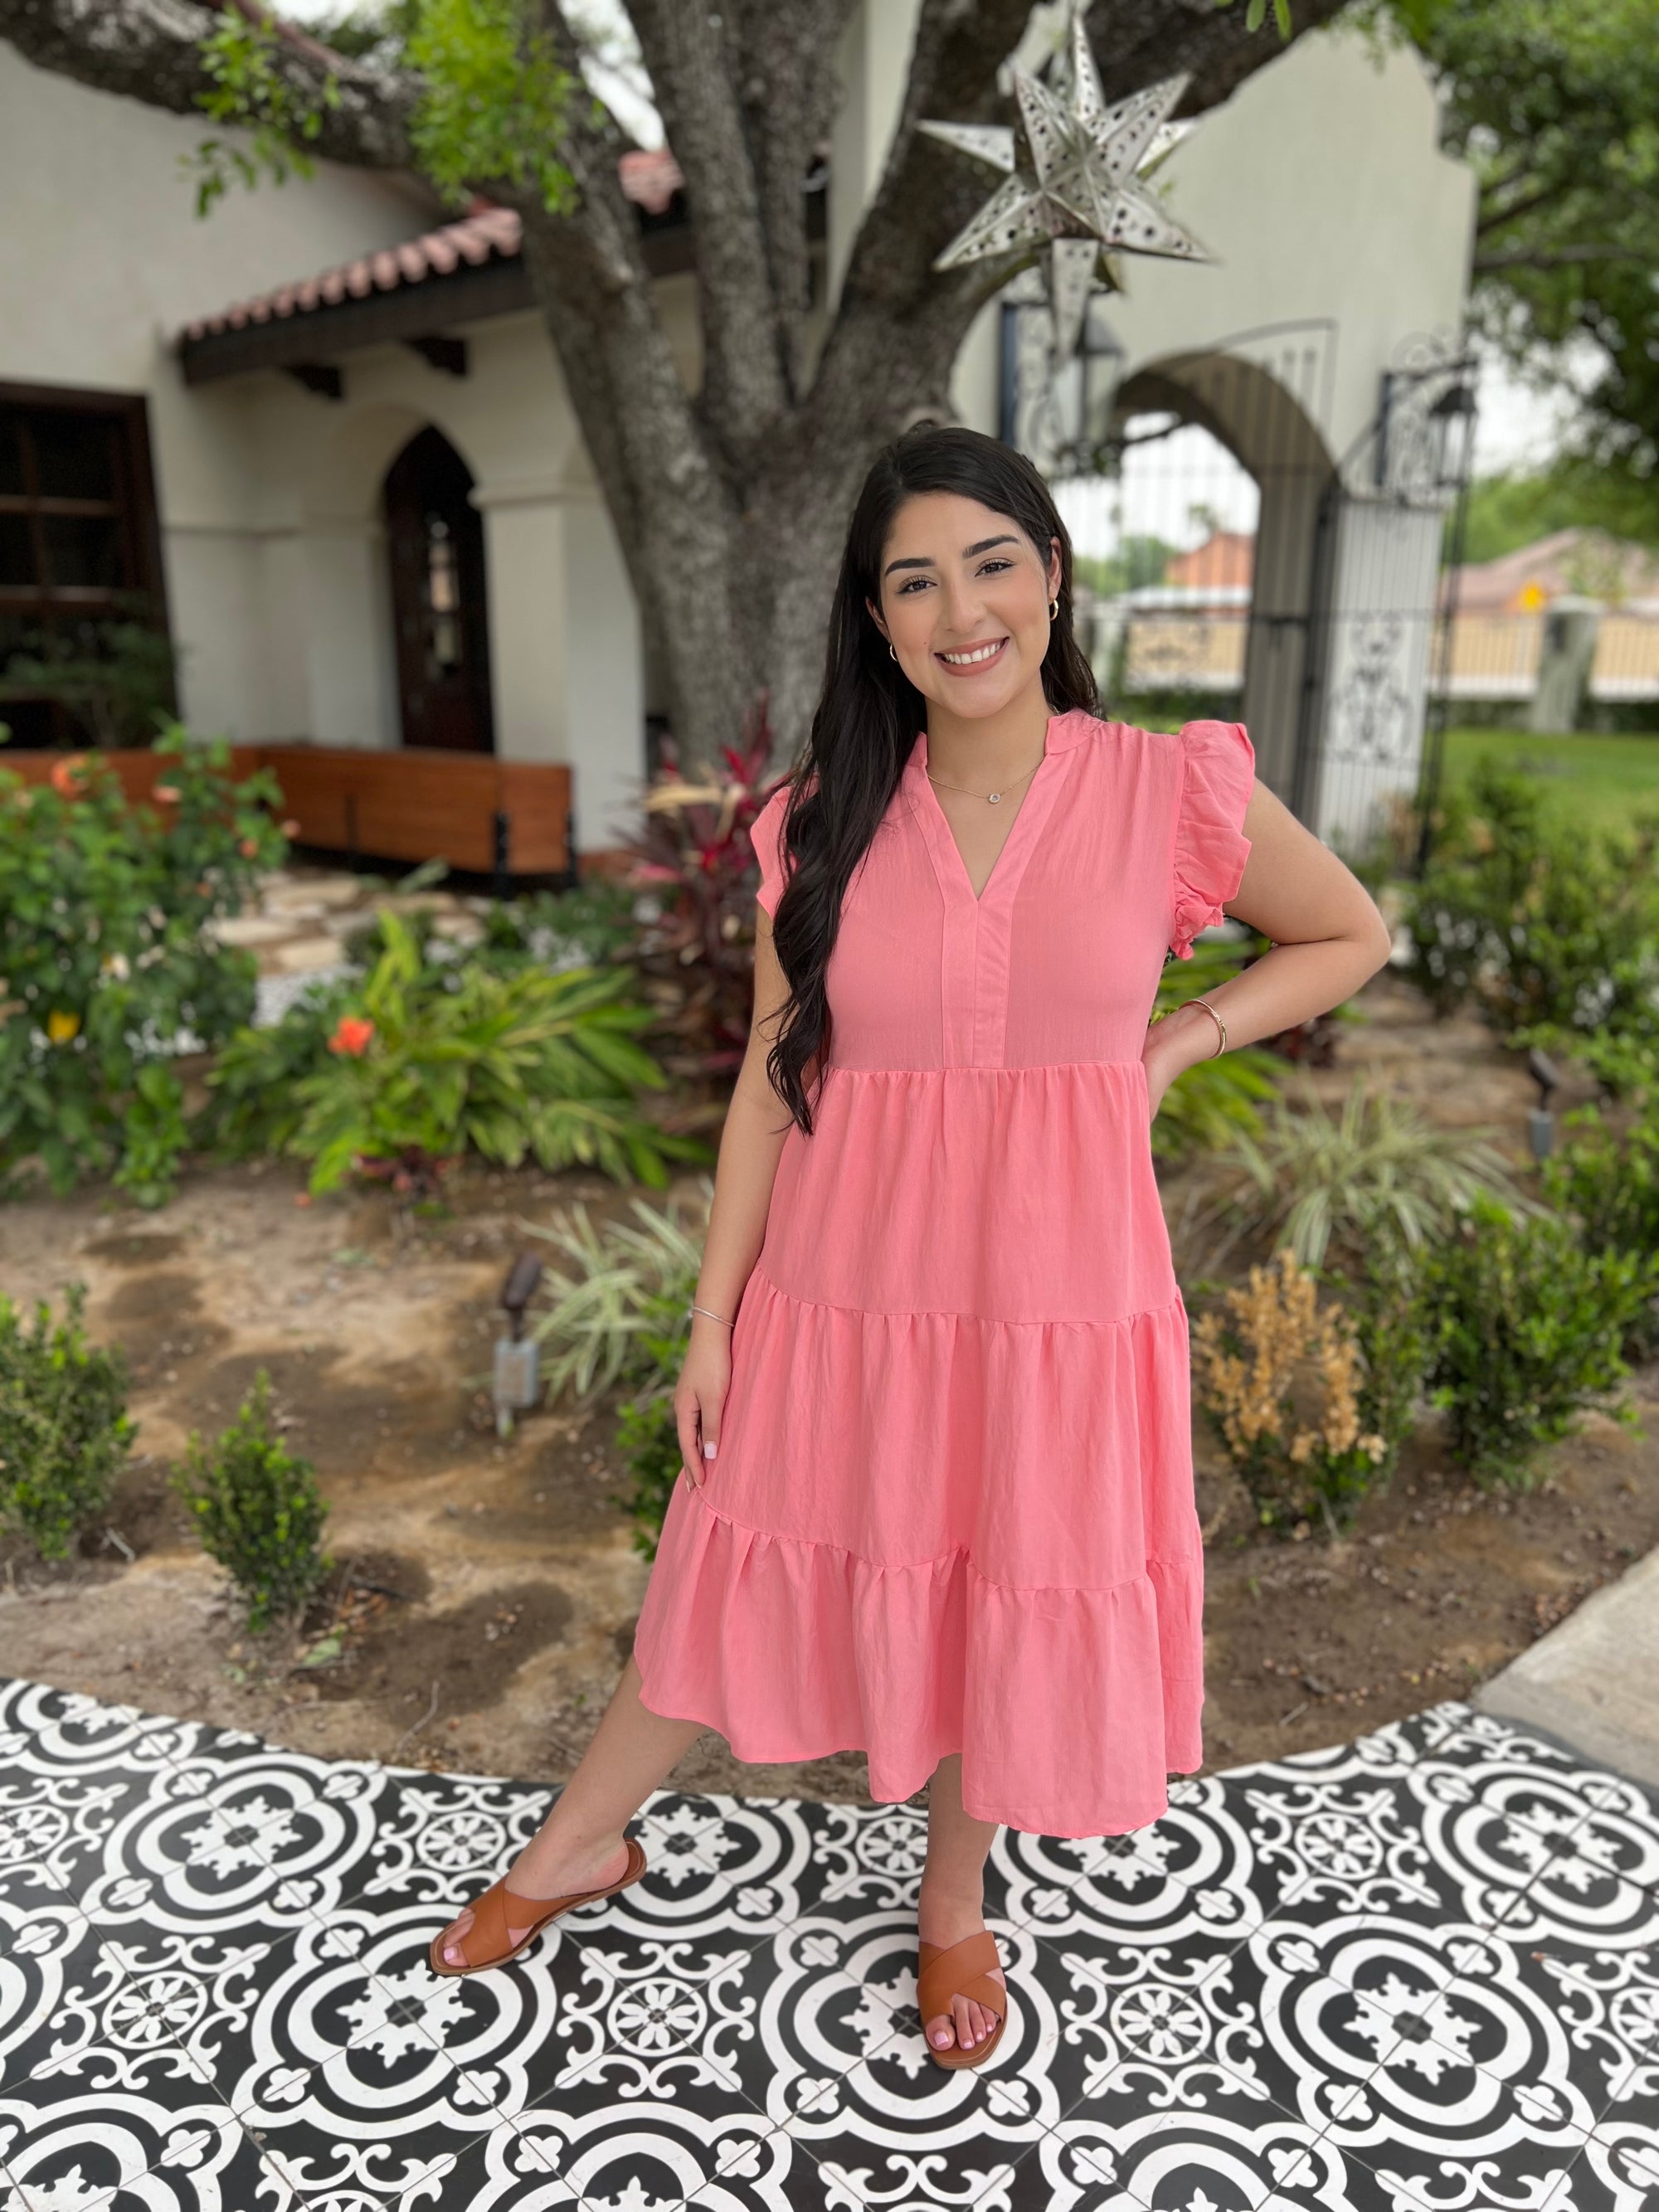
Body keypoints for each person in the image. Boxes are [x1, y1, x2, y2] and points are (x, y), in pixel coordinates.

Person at [431, 421, 1394, 2067]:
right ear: (876, 622)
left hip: (1056, 1297)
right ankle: (574, 1846)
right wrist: (714, 1316)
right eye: (915, 579)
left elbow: (1347, 930)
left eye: (991, 561)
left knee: (988, 1575)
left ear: (1052, 574)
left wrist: (1182, 1040)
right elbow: (763, 1079)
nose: (961, 609)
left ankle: (955, 1906)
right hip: (838, 1290)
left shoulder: (1169, 788)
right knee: (727, 1546)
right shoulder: (817, 821)